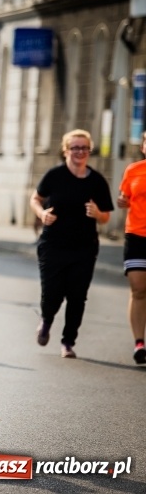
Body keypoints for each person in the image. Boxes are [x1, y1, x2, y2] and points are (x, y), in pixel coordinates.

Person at [29, 129, 113, 359]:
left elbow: (106, 216)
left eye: (84, 148)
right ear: (66, 150)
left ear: (89, 151)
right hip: (52, 245)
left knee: (77, 296)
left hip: (84, 248)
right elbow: (35, 199)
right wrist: (42, 213)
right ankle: (46, 320)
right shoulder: (54, 176)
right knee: (52, 292)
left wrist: (98, 213)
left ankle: (68, 341)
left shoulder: (96, 181)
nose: (80, 152)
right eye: (75, 148)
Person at [118, 132, 146, 365]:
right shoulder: (133, 170)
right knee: (138, 289)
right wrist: (122, 201)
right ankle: (139, 342)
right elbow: (124, 196)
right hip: (136, 234)